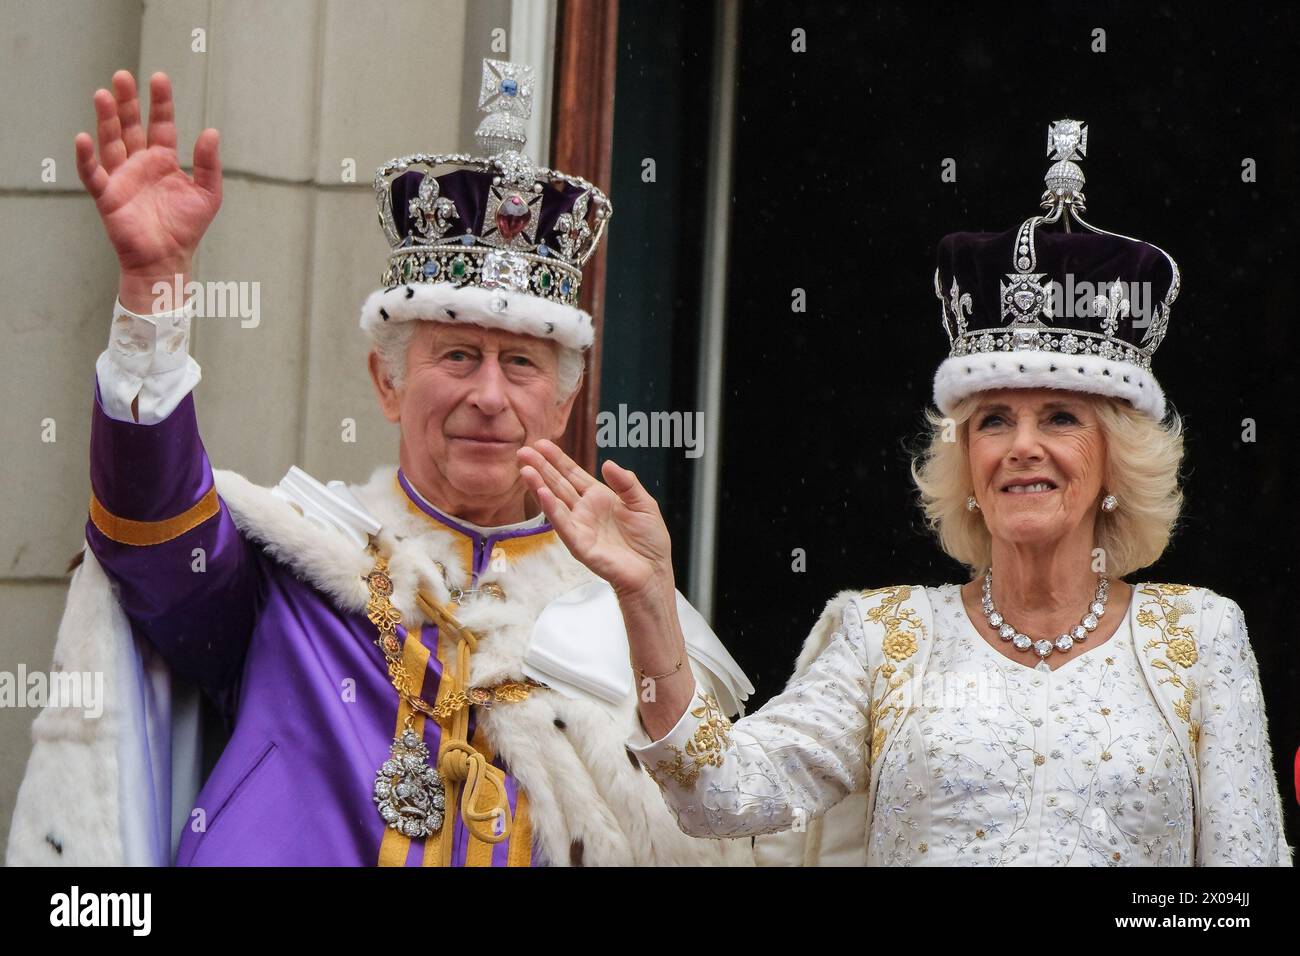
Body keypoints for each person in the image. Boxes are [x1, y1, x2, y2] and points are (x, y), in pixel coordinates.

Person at [7, 60, 753, 867]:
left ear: (565, 405)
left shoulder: (632, 622)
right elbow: (150, 534)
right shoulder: (294, 565)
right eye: (459, 355)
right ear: (387, 383)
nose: (490, 396)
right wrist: (153, 292)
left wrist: (646, 604)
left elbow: (725, 819)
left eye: (523, 366)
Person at [518, 119, 1294, 866]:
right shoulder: (882, 635)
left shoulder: (1200, 638)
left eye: (1060, 417)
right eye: (994, 419)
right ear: (968, 461)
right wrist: (649, 596)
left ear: (1116, 460)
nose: (1022, 445)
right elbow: (719, 797)